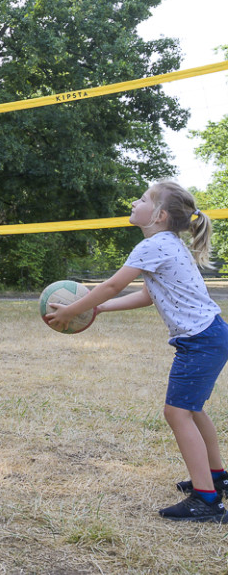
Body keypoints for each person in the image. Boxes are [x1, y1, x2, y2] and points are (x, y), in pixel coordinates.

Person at [45, 181, 228, 523]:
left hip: (201, 340)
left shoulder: (153, 245)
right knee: (192, 409)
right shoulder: (166, 244)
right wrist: (99, 309)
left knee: (177, 413)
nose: (134, 201)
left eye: (142, 199)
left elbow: (112, 284)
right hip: (210, 335)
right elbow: (147, 295)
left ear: (158, 215)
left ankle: (207, 500)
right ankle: (216, 477)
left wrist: (73, 310)